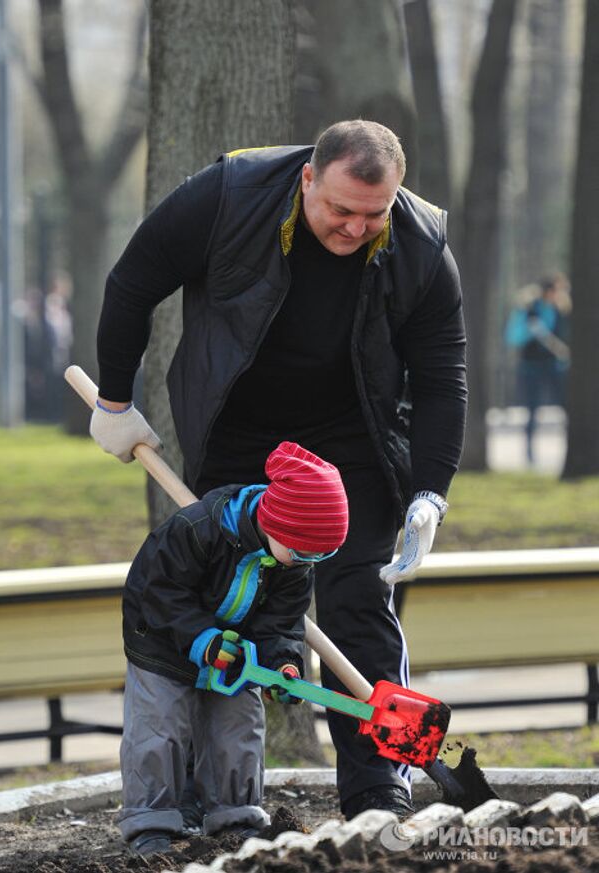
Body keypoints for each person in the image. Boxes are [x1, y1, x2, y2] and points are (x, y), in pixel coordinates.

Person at [91, 119, 468, 821]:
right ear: (307, 179)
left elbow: (443, 374)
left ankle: (378, 789)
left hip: (351, 439)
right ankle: (217, 795)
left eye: (373, 213)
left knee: (359, 601)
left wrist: (427, 493)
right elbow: (134, 280)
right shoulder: (229, 196)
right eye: (340, 210)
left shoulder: (420, 243)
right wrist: (115, 399)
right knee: (225, 606)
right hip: (240, 436)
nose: (356, 228)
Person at [118, 440, 349, 856]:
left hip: (238, 657)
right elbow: (159, 594)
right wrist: (202, 639)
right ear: (274, 523)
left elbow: (282, 622)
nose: (307, 561)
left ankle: (236, 817)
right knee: (159, 729)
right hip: (163, 646)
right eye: (302, 551)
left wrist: (283, 662)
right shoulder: (197, 530)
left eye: (321, 555)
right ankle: (151, 824)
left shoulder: (295, 563)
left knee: (239, 728)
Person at [505, 273, 571, 464]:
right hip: (530, 368)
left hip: (555, 367)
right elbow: (512, 337)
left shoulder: (562, 311)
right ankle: (529, 455)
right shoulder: (528, 310)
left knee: (566, 407)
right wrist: (530, 330)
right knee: (532, 411)